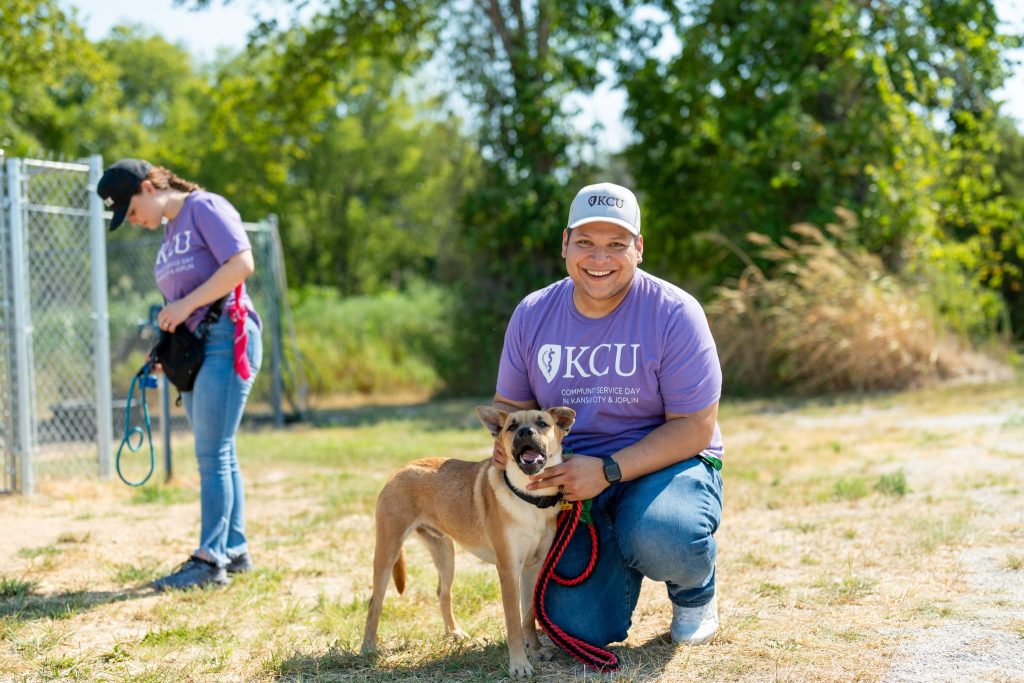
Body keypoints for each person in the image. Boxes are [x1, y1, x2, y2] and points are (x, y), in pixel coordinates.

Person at [491, 182, 724, 647]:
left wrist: (608, 471)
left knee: (664, 534)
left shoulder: (676, 313)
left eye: (616, 244)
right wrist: (506, 451)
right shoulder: (533, 313)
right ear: (565, 244)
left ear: (638, 248)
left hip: (665, 468)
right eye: (586, 243)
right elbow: (508, 410)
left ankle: (695, 592)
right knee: (577, 628)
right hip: (570, 485)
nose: (599, 258)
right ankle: (614, 558)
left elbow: (694, 427)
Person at [97, 158, 263, 591]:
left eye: (131, 211)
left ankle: (210, 561)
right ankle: (234, 549)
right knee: (218, 451)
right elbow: (182, 301)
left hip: (230, 338)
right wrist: (165, 351)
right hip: (198, 350)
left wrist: (184, 306)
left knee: (213, 452)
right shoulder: (172, 230)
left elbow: (241, 264)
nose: (133, 222)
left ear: (149, 187)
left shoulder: (204, 207)